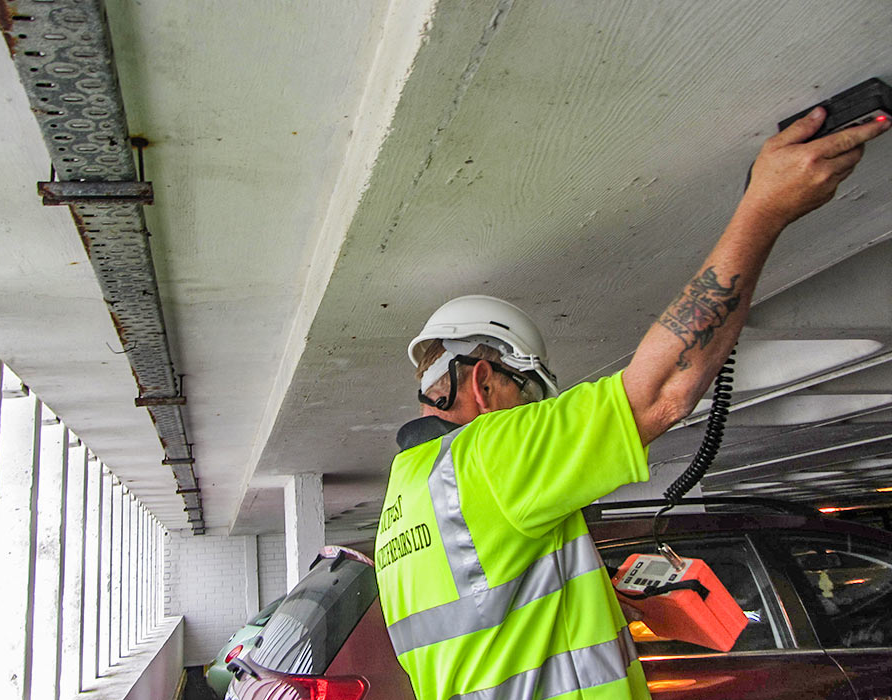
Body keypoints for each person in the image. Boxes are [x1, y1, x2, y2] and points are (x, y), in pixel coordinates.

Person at [373, 107, 889, 700]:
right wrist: (765, 208)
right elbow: (664, 390)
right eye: (532, 394)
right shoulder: (491, 453)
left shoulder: (407, 495)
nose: (535, 412)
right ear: (486, 381)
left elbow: (492, 617)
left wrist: (591, 586)